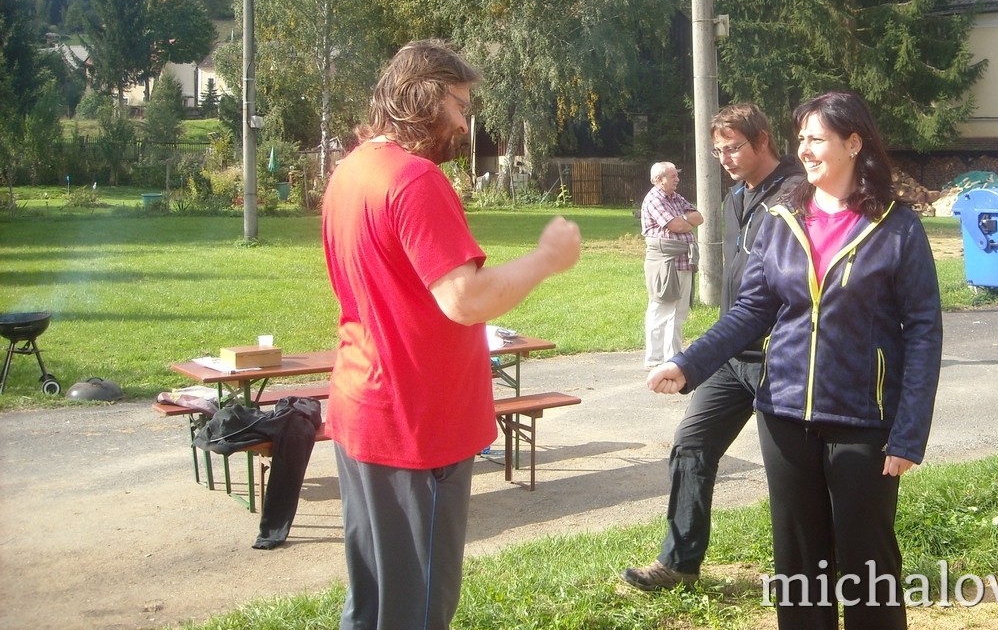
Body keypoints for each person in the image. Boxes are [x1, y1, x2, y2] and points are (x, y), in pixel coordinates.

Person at [648, 91, 943, 630]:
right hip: (783, 415)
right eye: (801, 138)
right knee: (799, 565)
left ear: (853, 143)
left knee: (868, 563)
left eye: (817, 139)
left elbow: (923, 332)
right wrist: (688, 363)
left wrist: (909, 433)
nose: (804, 149)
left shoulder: (897, 226)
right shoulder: (782, 217)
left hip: (863, 419)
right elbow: (751, 311)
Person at [321, 39, 581, 630]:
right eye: (460, 105)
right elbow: (465, 300)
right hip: (418, 424)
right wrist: (546, 258)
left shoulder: (351, 171)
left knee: (372, 602)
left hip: (364, 407)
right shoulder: (414, 179)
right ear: (424, 97)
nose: (465, 125)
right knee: (417, 610)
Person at [624, 103, 804, 591]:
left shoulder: (796, 194)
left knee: (790, 474)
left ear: (762, 139)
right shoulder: (735, 198)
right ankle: (679, 564)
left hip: (781, 356)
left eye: (733, 148)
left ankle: (805, 575)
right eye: (718, 150)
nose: (724, 158)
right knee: (691, 445)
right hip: (733, 353)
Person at [640, 161, 703, 368]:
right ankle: (655, 358)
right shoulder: (654, 198)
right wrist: (684, 221)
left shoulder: (675, 197)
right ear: (659, 180)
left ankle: (673, 357)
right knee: (661, 308)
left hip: (684, 261)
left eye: (677, 175)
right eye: (673, 176)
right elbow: (676, 225)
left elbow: (699, 217)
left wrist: (683, 219)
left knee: (679, 312)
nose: (678, 179)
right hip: (665, 262)